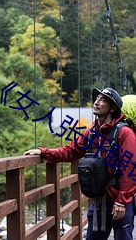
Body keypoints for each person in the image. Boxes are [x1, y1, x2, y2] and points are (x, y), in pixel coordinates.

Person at [23, 87, 136, 240]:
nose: (96, 102)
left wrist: (122, 202)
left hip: (119, 201)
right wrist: (43, 152)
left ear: (113, 108)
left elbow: (131, 169)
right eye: (96, 99)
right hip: (99, 200)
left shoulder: (124, 133)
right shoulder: (91, 133)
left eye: (102, 100)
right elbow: (70, 151)